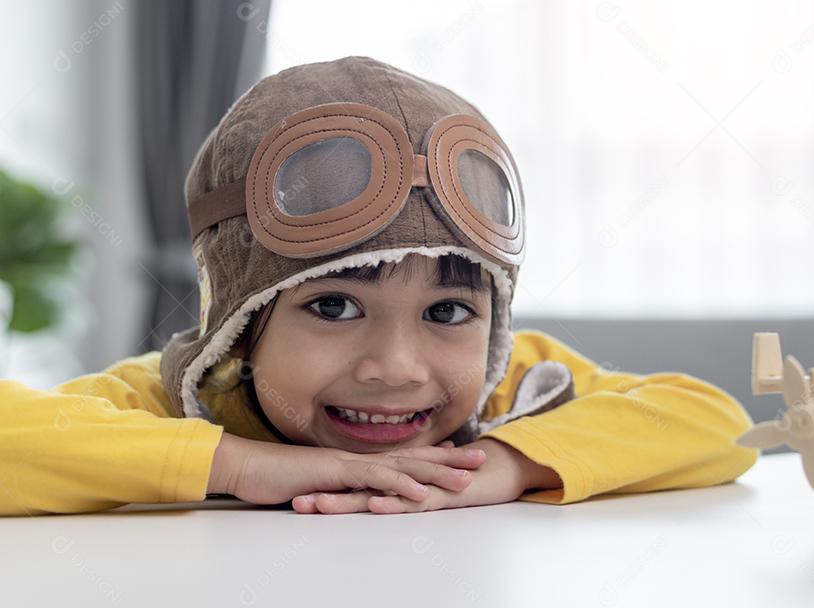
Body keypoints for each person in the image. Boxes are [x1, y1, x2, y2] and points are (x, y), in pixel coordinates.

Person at [0, 56, 758, 516]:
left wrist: (506, 467)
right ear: (240, 326)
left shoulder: (518, 388)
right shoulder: (184, 402)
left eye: (449, 310)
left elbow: (719, 423)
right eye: (333, 305)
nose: (396, 367)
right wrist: (241, 464)